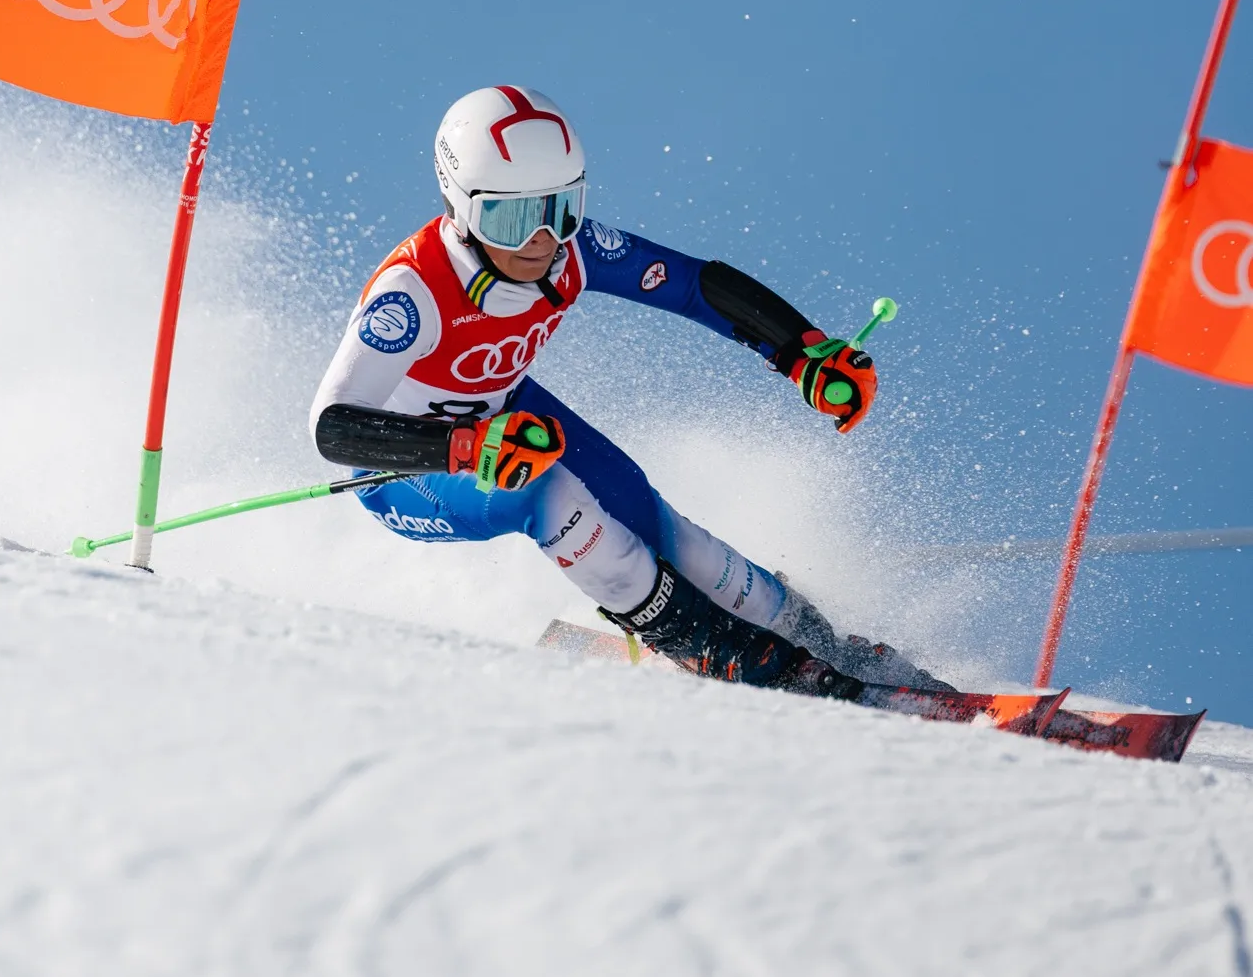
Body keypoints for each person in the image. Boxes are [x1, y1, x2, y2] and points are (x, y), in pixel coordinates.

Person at [309, 84, 947, 697]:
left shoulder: (574, 251)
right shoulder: (414, 294)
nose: (541, 240)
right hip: (405, 469)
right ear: (462, 207)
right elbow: (332, 429)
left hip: (504, 421)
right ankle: (730, 656)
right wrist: (468, 447)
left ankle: (822, 645)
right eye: (510, 219)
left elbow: (694, 284)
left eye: (560, 210)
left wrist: (797, 349)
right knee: (544, 491)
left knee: (650, 518)